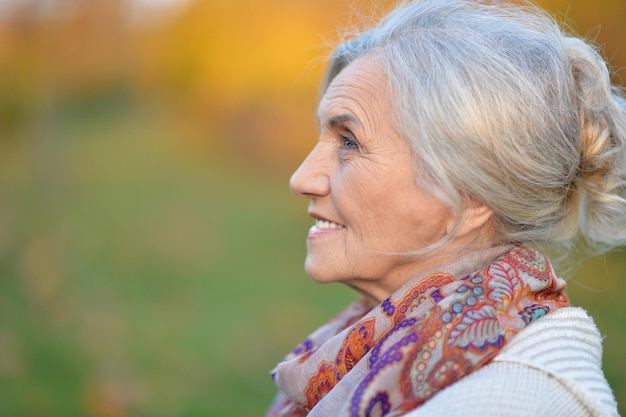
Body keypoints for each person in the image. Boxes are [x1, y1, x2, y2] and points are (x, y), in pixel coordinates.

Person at [267, 0, 625, 415]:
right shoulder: (375, 344)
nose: (301, 179)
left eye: (349, 142)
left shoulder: (511, 403)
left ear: (469, 192)